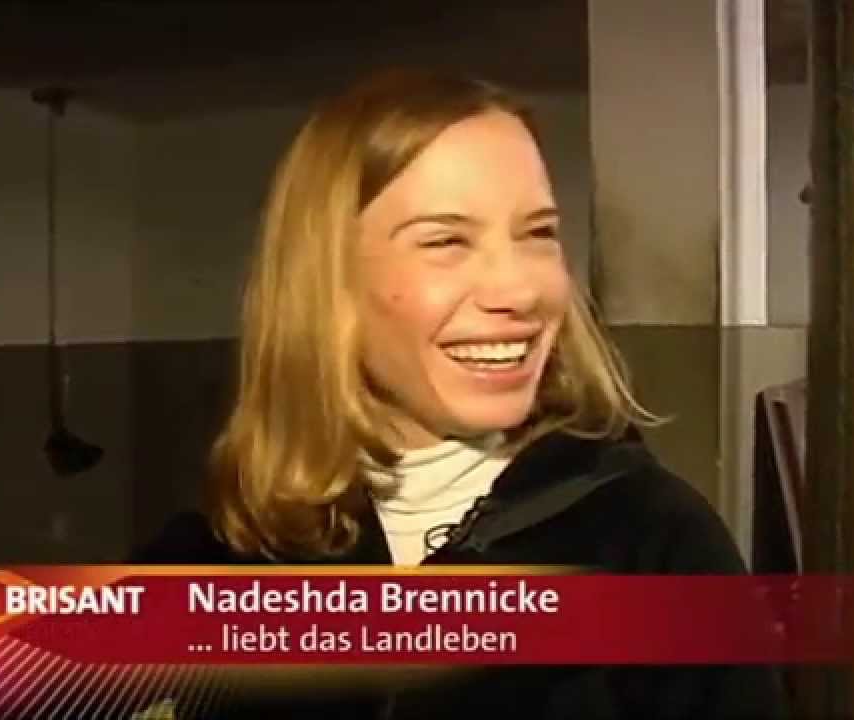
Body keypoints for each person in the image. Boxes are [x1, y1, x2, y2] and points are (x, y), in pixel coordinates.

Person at [135, 68, 784, 719]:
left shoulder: (656, 546)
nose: (519, 291)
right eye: (446, 241)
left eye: (538, 233)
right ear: (326, 282)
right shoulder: (229, 550)